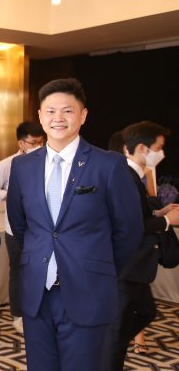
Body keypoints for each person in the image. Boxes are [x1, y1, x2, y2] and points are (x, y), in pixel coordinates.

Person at [6, 78, 142, 371]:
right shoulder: (22, 166)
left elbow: (129, 230)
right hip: (37, 293)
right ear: (40, 116)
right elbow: (20, 226)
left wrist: (97, 266)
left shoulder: (108, 165)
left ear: (83, 115)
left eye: (67, 111)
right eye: (50, 111)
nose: (58, 118)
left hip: (88, 291)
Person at [101, 121, 179, 370]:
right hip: (126, 264)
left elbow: (137, 215)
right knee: (117, 327)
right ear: (143, 148)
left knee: (145, 313)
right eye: (159, 147)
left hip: (136, 265)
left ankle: (104, 348)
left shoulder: (135, 174)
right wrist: (167, 221)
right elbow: (130, 224)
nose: (161, 153)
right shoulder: (125, 175)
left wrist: (159, 213)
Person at [0, 120, 44, 334]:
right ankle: (18, 315)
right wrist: (12, 195)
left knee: (39, 270)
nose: (38, 146)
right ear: (21, 143)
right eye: (33, 143)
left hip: (41, 228)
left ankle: (38, 312)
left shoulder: (48, 161)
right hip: (15, 228)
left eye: (41, 142)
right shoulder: (8, 164)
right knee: (18, 271)